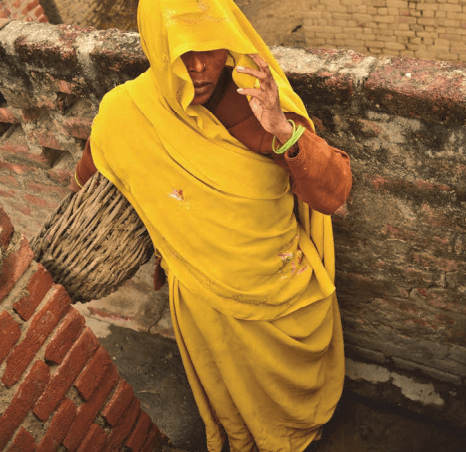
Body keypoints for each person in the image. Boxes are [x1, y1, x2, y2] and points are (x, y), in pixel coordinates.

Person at [69, 0, 352, 450]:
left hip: (283, 286)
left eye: (210, 48)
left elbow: (334, 192)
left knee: (296, 393)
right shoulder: (125, 115)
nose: (199, 67)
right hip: (207, 299)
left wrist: (282, 128)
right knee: (240, 391)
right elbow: (89, 189)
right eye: (181, 50)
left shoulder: (257, 100)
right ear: (156, 46)